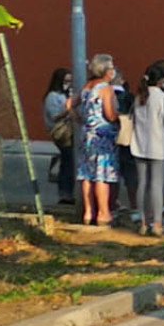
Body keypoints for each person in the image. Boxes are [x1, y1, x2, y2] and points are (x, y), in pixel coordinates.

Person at [76, 54, 122, 226]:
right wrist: (120, 119)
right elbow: (110, 114)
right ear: (105, 70)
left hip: (87, 134)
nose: (113, 71)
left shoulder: (87, 87)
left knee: (87, 174)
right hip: (102, 136)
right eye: (111, 68)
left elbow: (70, 104)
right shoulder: (106, 89)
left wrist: (79, 120)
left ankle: (88, 212)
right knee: (101, 175)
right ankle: (103, 213)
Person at [132, 63, 164, 238]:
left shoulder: (139, 96)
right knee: (157, 184)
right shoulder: (161, 97)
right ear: (162, 80)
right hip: (157, 144)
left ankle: (142, 221)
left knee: (142, 183)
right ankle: (157, 223)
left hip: (138, 143)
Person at [43, 68, 75, 206]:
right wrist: (69, 110)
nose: (68, 84)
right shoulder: (52, 96)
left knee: (70, 161)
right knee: (68, 161)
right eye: (66, 81)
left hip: (71, 131)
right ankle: (65, 192)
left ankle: (69, 192)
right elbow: (54, 116)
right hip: (61, 132)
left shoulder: (68, 94)